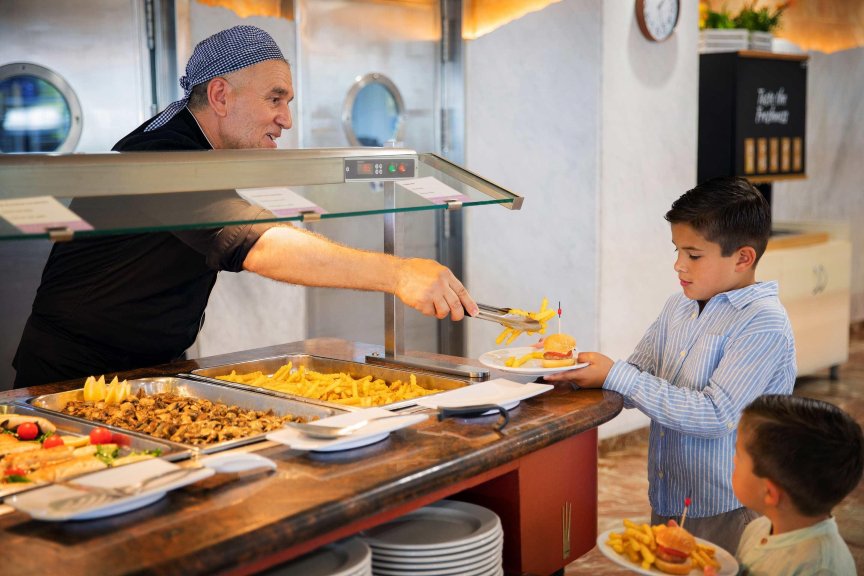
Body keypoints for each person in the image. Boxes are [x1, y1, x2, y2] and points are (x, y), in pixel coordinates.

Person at [12, 25, 478, 389]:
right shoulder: (163, 156)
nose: (286, 119)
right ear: (220, 95)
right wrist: (398, 274)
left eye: (289, 102)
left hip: (149, 371)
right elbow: (255, 243)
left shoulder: (197, 151)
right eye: (274, 99)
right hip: (74, 378)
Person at [545, 176, 796, 553]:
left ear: (743, 258)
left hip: (731, 509)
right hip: (669, 496)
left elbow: (715, 415)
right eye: (677, 250)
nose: (679, 265)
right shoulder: (677, 306)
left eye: (693, 255)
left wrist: (616, 374)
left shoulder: (763, 322)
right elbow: (635, 377)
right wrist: (574, 371)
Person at [733, 394, 862, 575]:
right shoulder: (758, 529)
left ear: (770, 493)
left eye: (738, 456)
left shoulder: (821, 568)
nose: (733, 460)